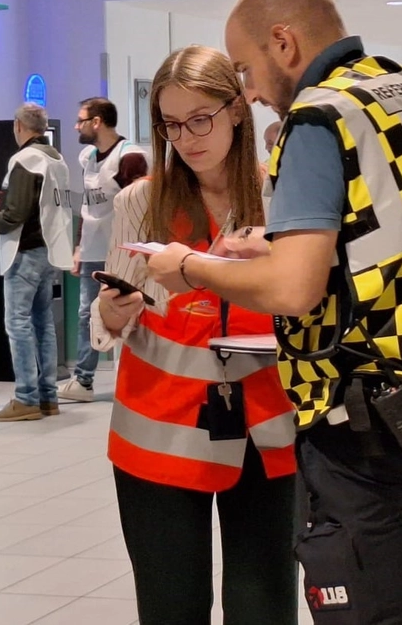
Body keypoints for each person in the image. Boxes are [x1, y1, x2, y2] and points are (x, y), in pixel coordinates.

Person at [146, 0, 402, 625]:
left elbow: (293, 290)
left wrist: (192, 267)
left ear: (284, 42)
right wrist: (277, 245)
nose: (250, 94)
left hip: (368, 420)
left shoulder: (320, 118)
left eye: (248, 70)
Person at [91, 45, 298, 625]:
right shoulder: (140, 200)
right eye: (172, 124)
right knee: (171, 604)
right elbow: (109, 321)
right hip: (158, 429)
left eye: (200, 119)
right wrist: (113, 312)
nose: (187, 138)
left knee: (264, 602)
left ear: (236, 111)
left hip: (267, 427)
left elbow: (312, 306)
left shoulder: (283, 196)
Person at [0, 103, 73, 421]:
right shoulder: (56, 159)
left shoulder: (25, 160)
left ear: (19, 127)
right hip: (48, 250)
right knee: (43, 323)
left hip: (23, 252)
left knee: (17, 323)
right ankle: (48, 396)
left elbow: (17, 213)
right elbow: (42, 205)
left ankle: (25, 397)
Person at [60, 97, 150, 403]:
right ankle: (83, 380)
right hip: (92, 249)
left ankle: (136, 377)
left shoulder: (129, 157)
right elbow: (87, 206)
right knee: (88, 313)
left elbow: (139, 207)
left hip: (123, 252)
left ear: (97, 122)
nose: (76, 126)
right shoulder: (88, 157)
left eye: (81, 120)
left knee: (130, 313)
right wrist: (78, 247)